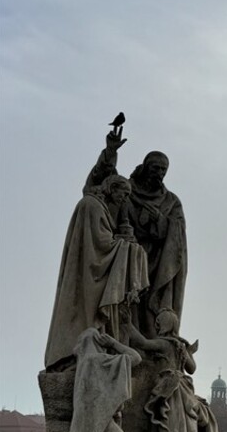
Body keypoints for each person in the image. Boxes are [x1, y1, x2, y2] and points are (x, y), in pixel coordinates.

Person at [85, 128, 187, 337]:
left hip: (157, 264)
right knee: (123, 306)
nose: (159, 173)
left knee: (149, 308)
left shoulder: (171, 201)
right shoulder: (126, 189)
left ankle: (149, 345)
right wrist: (110, 152)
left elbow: (178, 235)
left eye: (163, 170)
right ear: (146, 167)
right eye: (155, 168)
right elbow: (99, 187)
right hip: (124, 259)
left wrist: (159, 220)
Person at [45, 174, 149, 369]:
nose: (124, 199)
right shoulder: (92, 205)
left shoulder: (97, 207)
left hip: (90, 272)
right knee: (86, 316)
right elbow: (101, 245)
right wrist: (128, 246)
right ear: (111, 188)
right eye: (123, 193)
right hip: (89, 274)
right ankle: (75, 353)